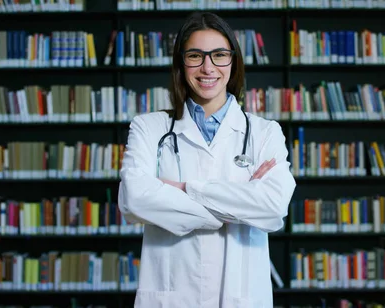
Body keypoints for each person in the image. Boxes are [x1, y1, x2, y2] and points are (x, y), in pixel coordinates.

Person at [117, 11, 296, 308]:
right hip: (173, 297)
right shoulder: (149, 128)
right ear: (181, 62)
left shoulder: (265, 132)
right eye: (195, 56)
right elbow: (135, 199)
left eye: (219, 55)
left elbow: (273, 207)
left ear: (233, 61)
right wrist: (235, 207)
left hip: (242, 299)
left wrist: (186, 188)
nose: (207, 67)